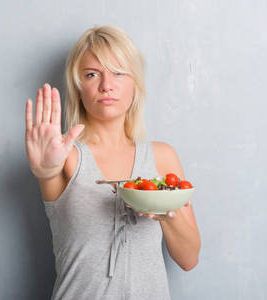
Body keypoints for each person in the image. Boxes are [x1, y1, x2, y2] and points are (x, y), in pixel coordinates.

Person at [24, 24, 200, 300]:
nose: (107, 85)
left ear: (135, 85)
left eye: (118, 72)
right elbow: (48, 171)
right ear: (78, 88)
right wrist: (45, 171)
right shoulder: (65, 156)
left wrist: (168, 216)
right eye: (92, 74)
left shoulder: (162, 157)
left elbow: (189, 259)